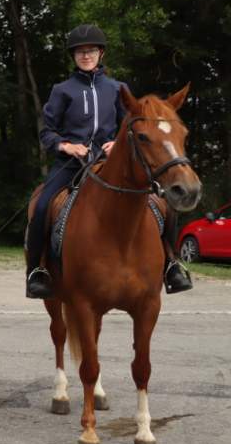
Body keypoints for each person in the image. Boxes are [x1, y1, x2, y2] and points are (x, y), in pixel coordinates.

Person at [25, 24, 192, 299]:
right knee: (42, 205)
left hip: (110, 162)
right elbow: (47, 131)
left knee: (163, 202)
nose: (85, 55)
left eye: (90, 50)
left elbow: (131, 126)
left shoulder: (118, 89)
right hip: (72, 163)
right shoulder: (62, 90)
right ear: (74, 56)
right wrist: (66, 145)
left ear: (100, 53)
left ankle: (172, 264)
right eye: (80, 52)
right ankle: (37, 270)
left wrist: (116, 143)